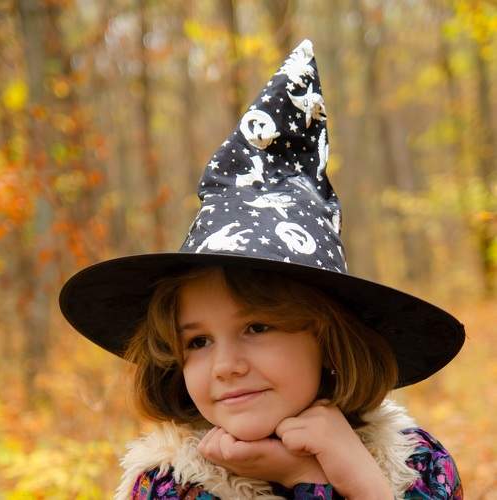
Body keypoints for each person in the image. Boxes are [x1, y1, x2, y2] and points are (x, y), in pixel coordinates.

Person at [59, 40, 465, 499]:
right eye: (197, 342)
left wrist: (354, 479)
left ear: (329, 340)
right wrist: (306, 479)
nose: (226, 367)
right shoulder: (170, 485)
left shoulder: (417, 464)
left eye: (256, 327)